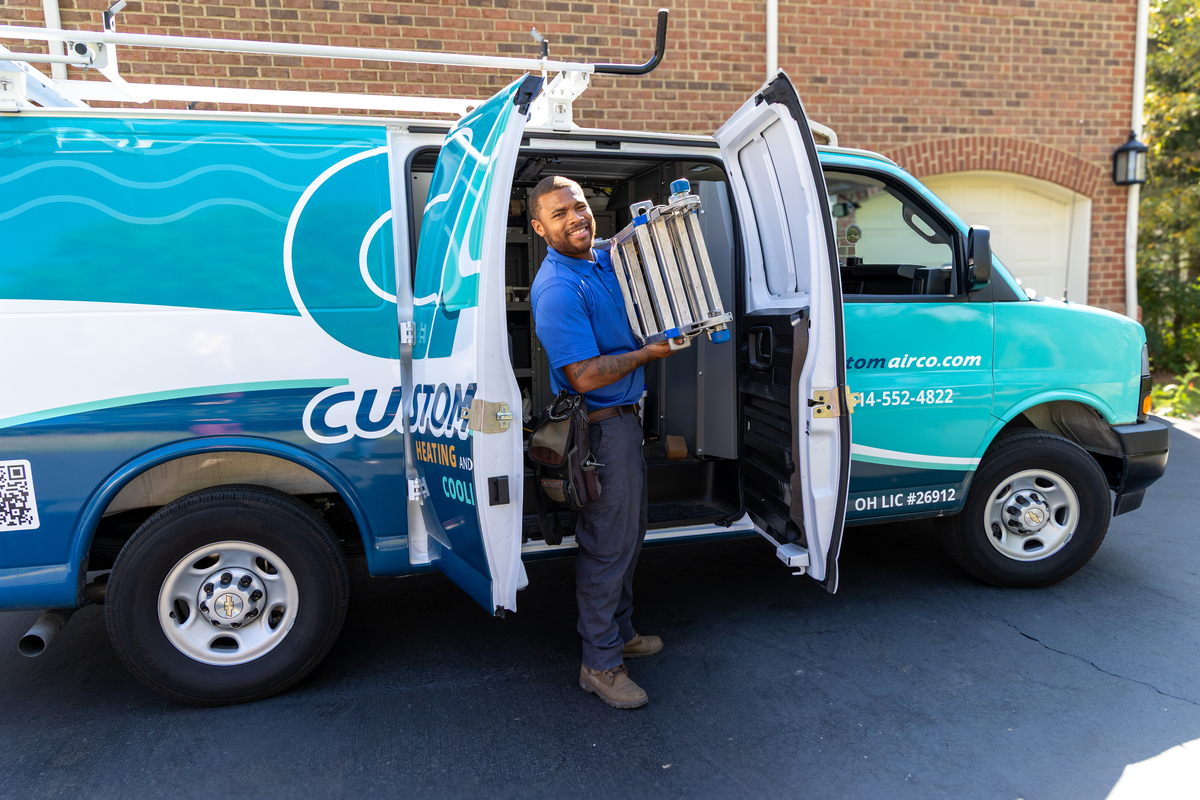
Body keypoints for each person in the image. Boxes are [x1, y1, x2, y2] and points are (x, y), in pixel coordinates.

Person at [528, 175, 675, 709]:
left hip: (622, 423)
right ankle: (600, 664)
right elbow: (585, 375)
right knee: (607, 544)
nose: (575, 219)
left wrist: (641, 227)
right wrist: (647, 355)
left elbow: (616, 243)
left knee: (629, 533)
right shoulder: (558, 288)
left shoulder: (596, 260)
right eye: (560, 214)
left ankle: (620, 632)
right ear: (540, 229)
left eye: (580, 206)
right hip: (599, 427)